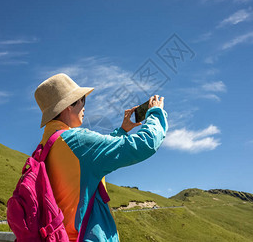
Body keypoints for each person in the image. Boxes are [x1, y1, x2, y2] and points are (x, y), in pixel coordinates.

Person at [34, 73, 168, 242]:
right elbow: (144, 145)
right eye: (82, 99)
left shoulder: (47, 145)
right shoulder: (76, 141)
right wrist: (155, 114)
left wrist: (121, 131)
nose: (84, 107)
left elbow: (90, 158)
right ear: (68, 105)